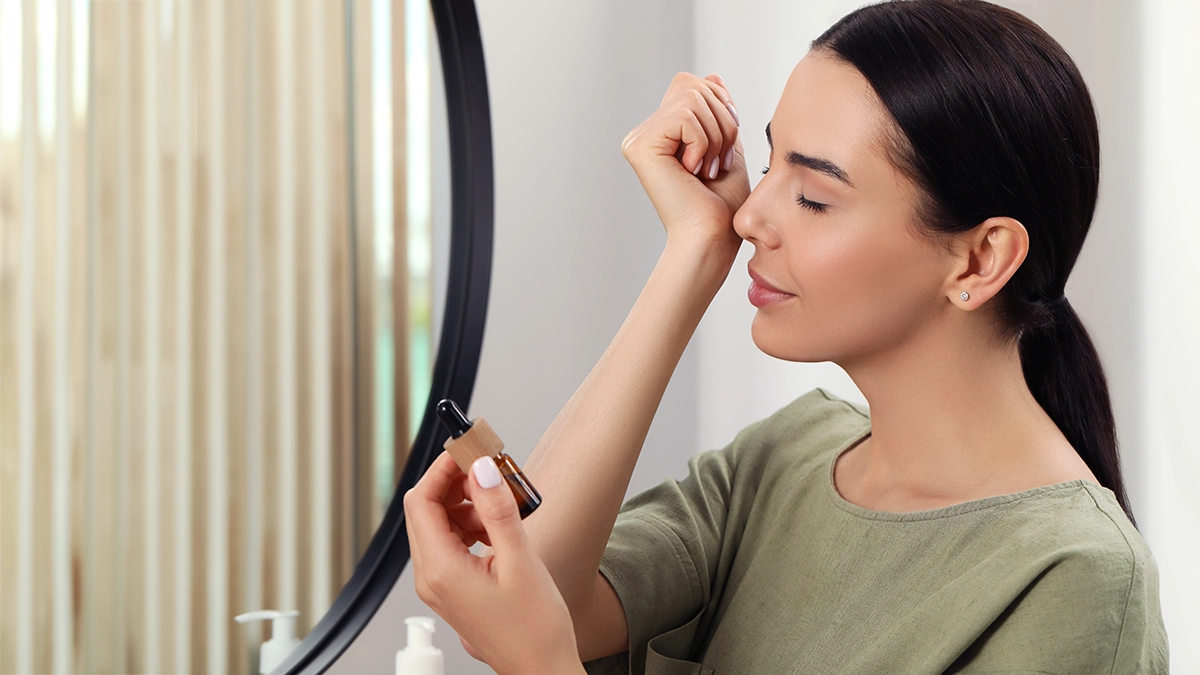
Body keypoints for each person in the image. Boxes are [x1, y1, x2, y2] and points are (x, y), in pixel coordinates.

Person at [402, 0, 1169, 672]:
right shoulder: (783, 460)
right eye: (768, 163)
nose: (748, 216)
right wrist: (691, 256)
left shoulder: (1074, 578)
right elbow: (535, 592)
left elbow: (535, 637)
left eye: (811, 195)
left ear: (980, 257)